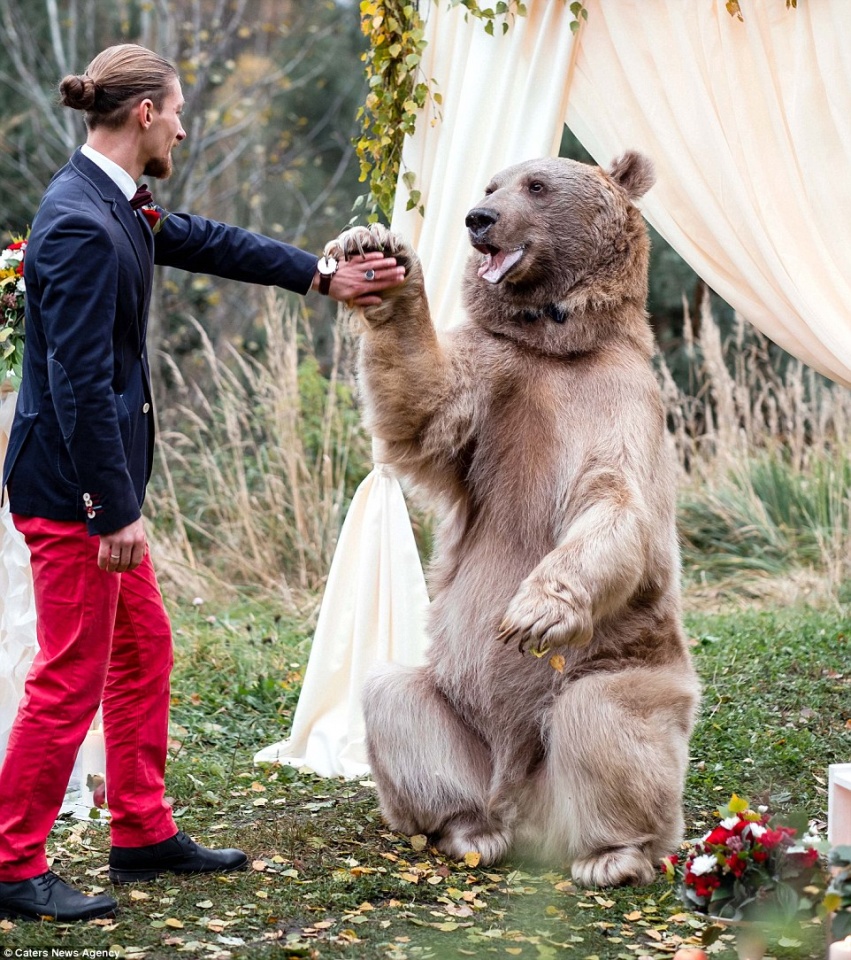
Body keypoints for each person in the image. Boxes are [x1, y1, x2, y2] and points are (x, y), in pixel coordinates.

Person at [0, 43, 403, 923]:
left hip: (93, 490)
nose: (184, 124)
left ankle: (141, 831)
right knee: (71, 673)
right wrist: (113, 508)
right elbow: (76, 382)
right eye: (178, 110)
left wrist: (323, 275)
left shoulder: (116, 204)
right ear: (144, 114)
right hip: (73, 491)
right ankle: (11, 860)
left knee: (142, 649)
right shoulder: (76, 221)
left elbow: (203, 240)